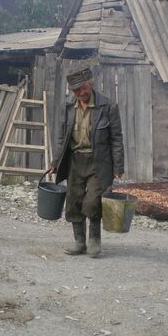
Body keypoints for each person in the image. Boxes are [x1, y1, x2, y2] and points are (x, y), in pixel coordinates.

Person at [49, 67, 124, 258]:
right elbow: (61, 137)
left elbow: (116, 139)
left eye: (83, 88)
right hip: (75, 160)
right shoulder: (67, 106)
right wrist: (55, 161)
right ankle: (79, 242)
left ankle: (94, 241)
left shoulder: (108, 107)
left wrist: (118, 167)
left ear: (90, 84)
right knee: (73, 201)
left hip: (98, 162)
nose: (80, 93)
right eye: (76, 91)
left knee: (92, 202)